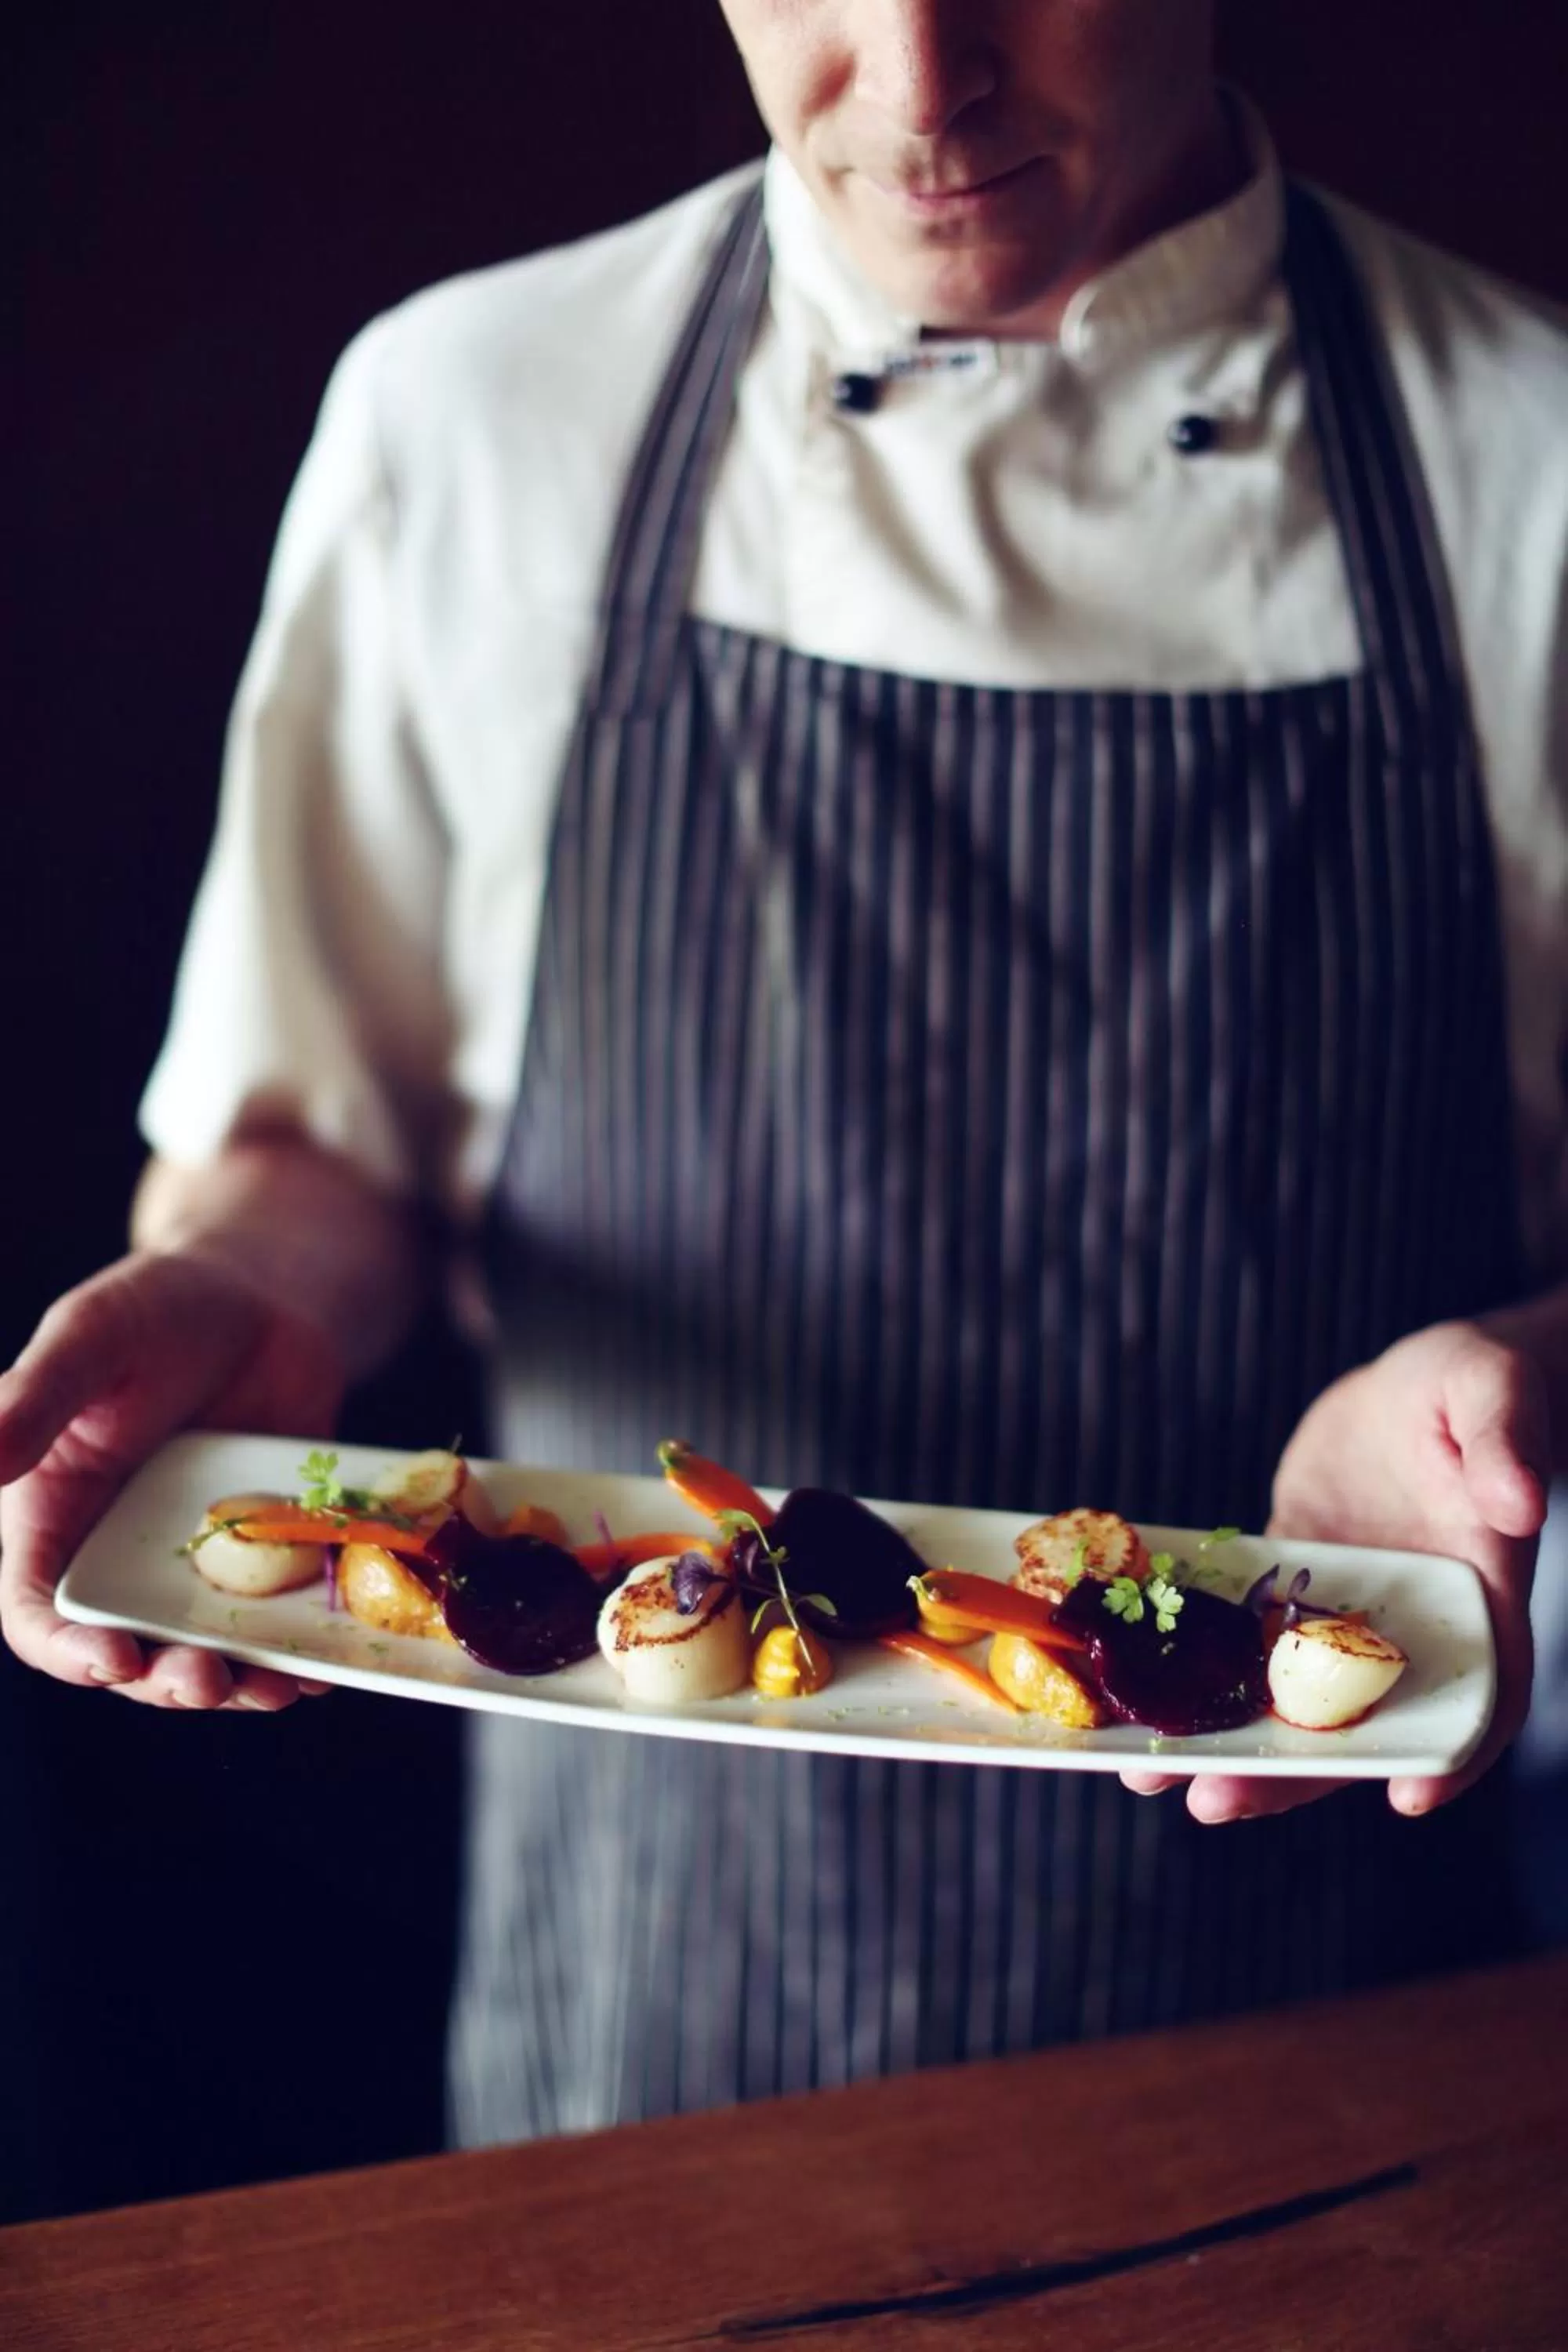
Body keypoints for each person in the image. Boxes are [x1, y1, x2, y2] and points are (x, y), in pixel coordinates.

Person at [4, 0, 1568, 2143]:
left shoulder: (1533, 467)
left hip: (1325, 2089)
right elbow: (315, 1141)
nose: (919, 83)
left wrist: (1526, 1373)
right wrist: (248, 1286)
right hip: (642, 2053)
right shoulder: (475, 419)